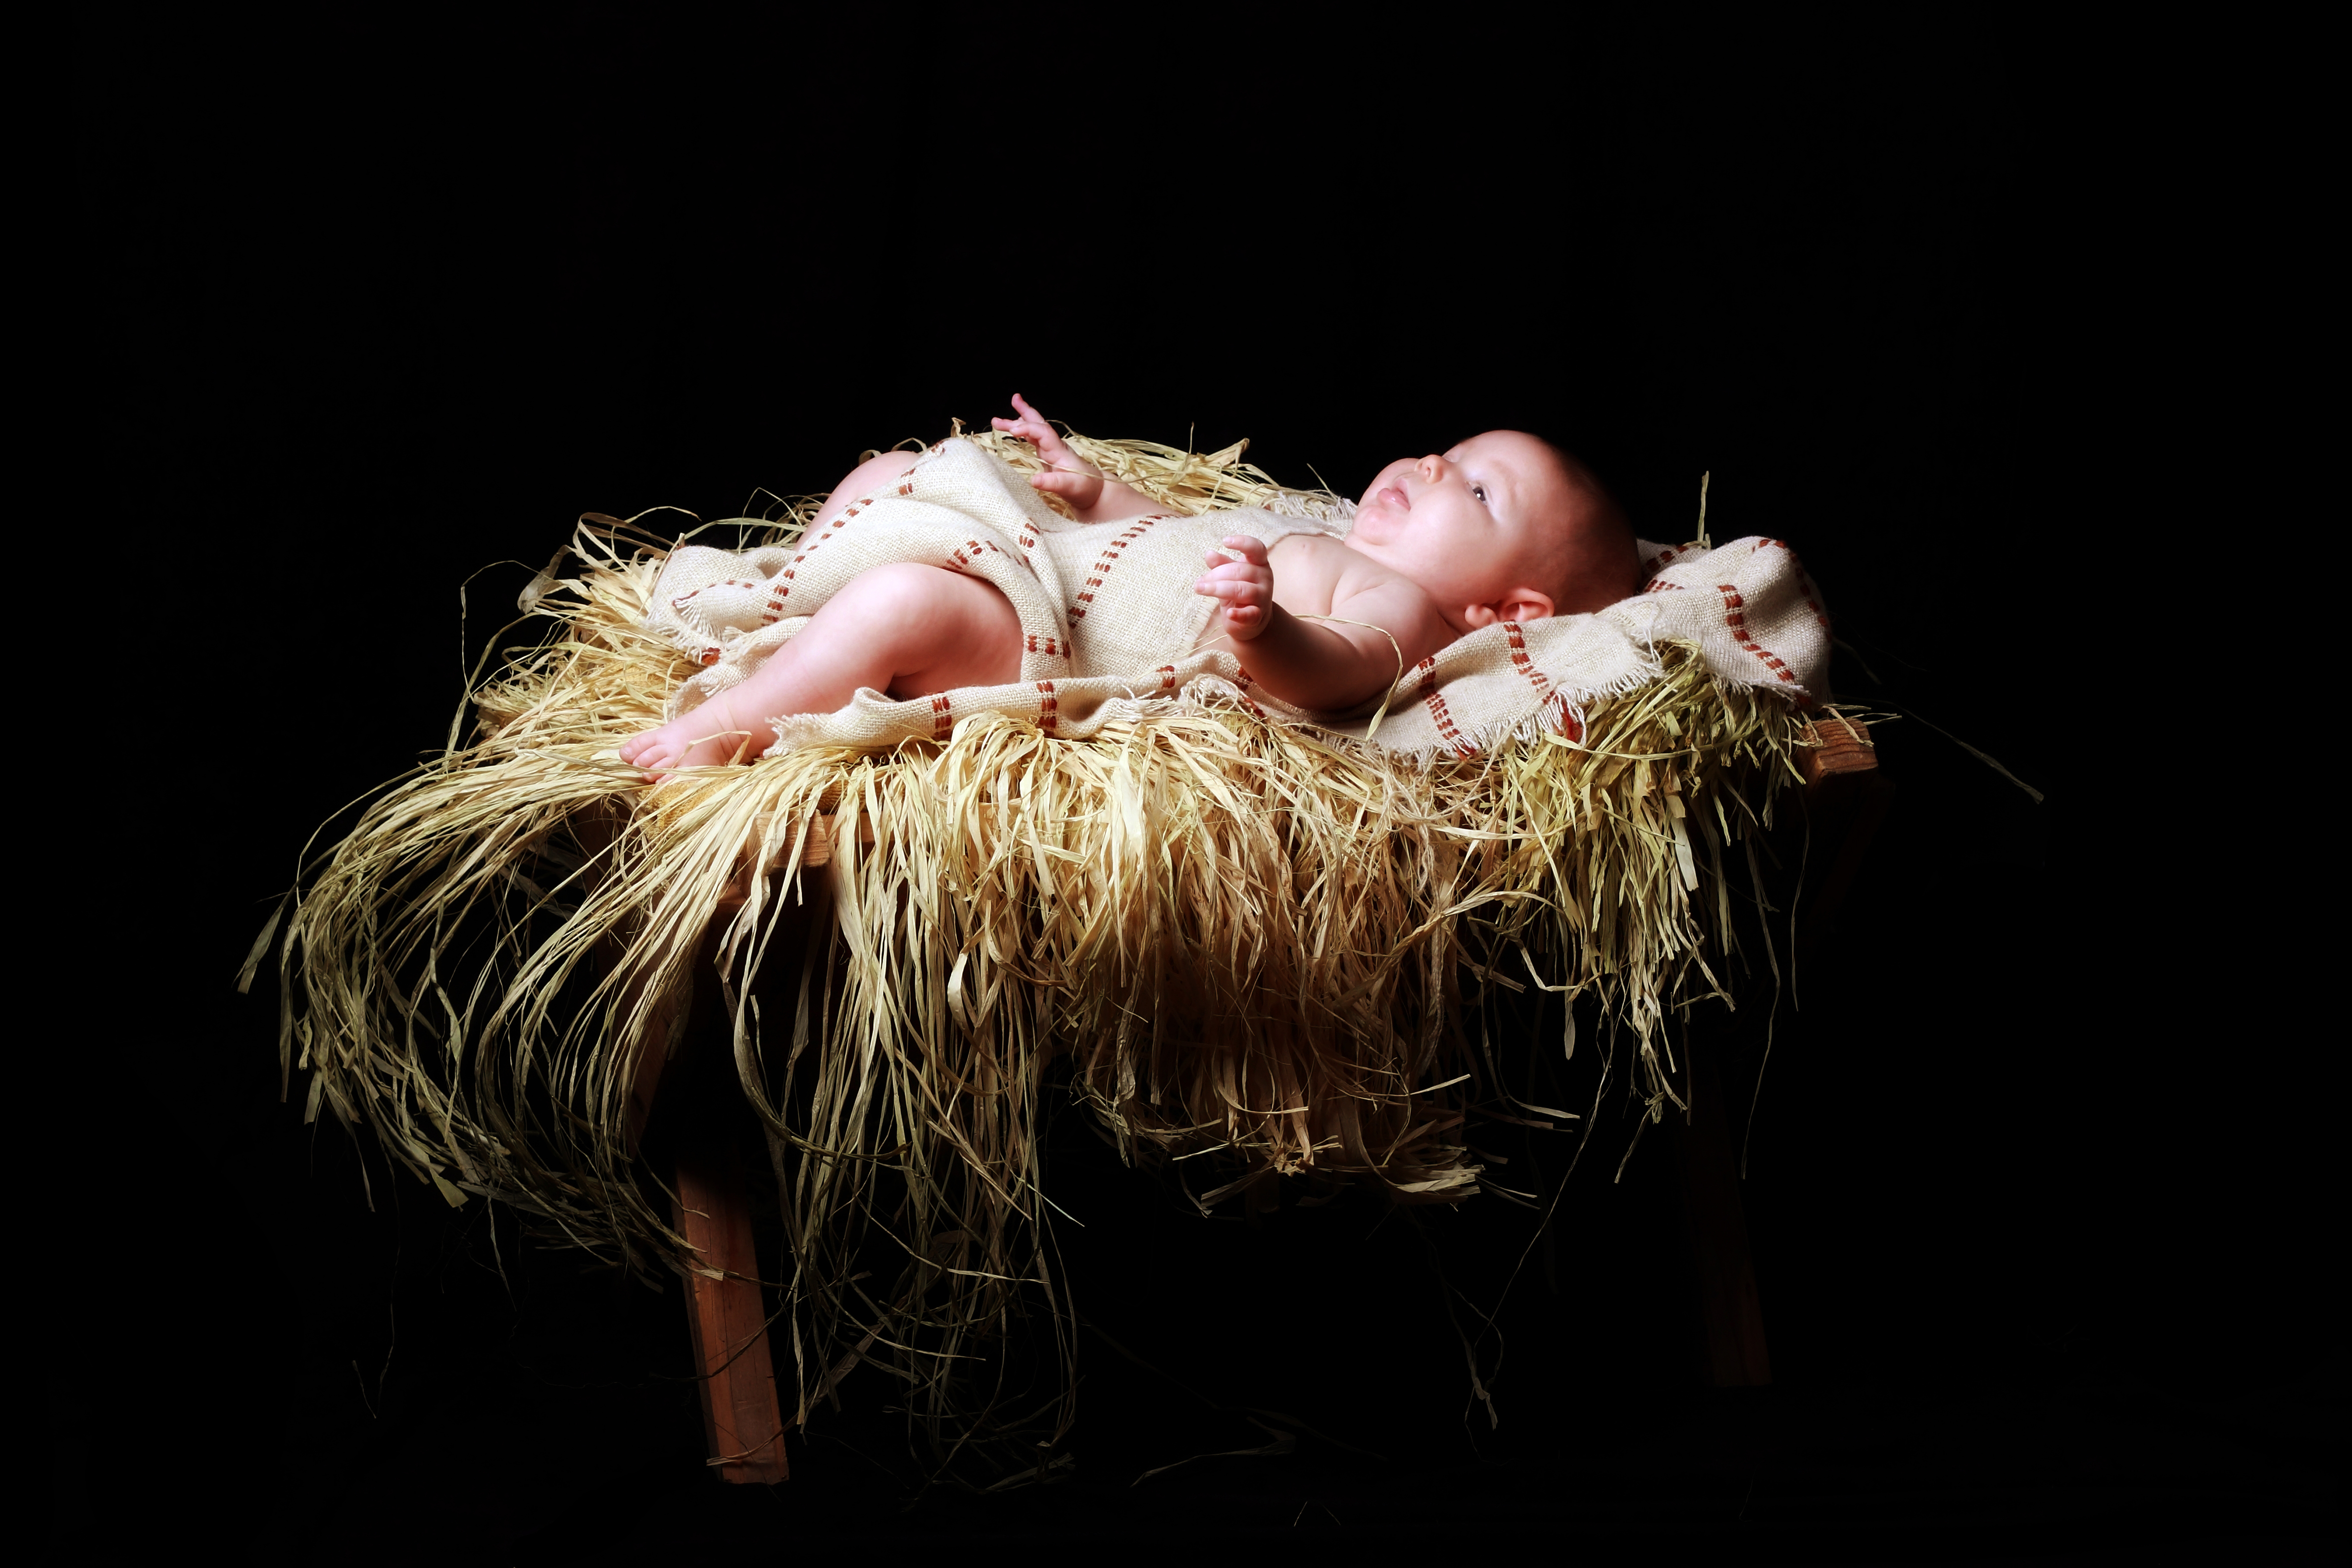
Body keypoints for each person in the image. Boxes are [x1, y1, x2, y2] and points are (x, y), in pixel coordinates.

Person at [620, 393, 1643, 774]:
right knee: (895, 472)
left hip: (1057, 644)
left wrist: (1268, 630)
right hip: (1058, 567)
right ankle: (780, 607)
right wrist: (1097, 492)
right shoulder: (1317, 527)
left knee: (906, 606)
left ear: (1508, 612)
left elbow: (1338, 669)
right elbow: (1178, 542)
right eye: (1445, 450)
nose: (1430, 467)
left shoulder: (1408, 611)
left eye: (1477, 489)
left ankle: (730, 723)